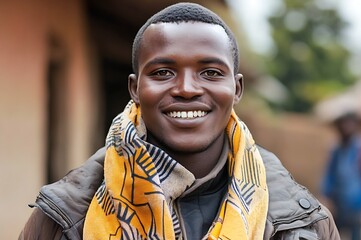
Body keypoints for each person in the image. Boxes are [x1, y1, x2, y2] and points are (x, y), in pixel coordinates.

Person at [20, 3, 339, 239]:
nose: (186, 89)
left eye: (210, 72)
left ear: (236, 89)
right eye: (162, 72)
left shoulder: (304, 223)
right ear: (135, 89)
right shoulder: (64, 217)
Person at [321, 112, 361, 240]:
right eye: (342, 124)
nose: (345, 127)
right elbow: (329, 175)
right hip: (336, 207)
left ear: (356, 126)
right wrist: (326, 196)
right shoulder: (336, 151)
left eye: (348, 124)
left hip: (356, 208)